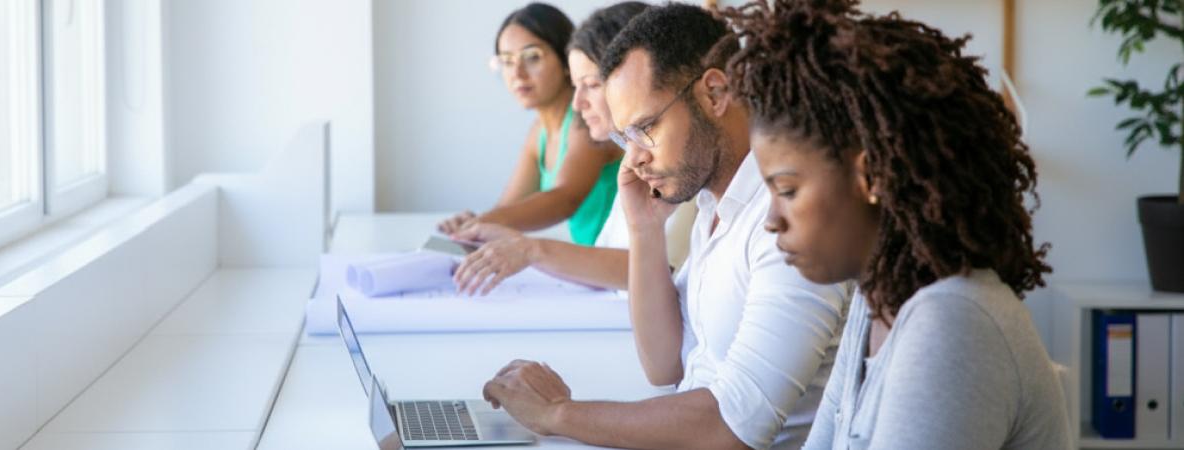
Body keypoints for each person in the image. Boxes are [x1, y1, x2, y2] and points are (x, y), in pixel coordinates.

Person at [480, 5, 849, 449]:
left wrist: (558, 414)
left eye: (646, 128)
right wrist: (644, 230)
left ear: (714, 93)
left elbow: (732, 427)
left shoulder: (786, 220)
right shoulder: (715, 199)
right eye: (625, 138)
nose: (633, 158)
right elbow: (665, 367)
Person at [722, 1, 1072, 448]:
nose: (772, 220)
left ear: (871, 177)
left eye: (787, 190)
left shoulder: (952, 321)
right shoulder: (876, 308)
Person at [450, 2, 697, 295]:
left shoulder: (676, 163)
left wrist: (530, 249)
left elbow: (565, 198)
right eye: (505, 60)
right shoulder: (634, 161)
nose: (578, 104)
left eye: (591, 84)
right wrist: (481, 227)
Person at [437, 3, 622, 247]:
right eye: (507, 61)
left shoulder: (588, 121)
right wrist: (477, 222)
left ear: (566, 59)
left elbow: (564, 199)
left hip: (616, 271)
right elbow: (507, 209)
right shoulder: (540, 131)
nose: (517, 73)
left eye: (532, 57)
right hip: (591, 273)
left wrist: (484, 223)